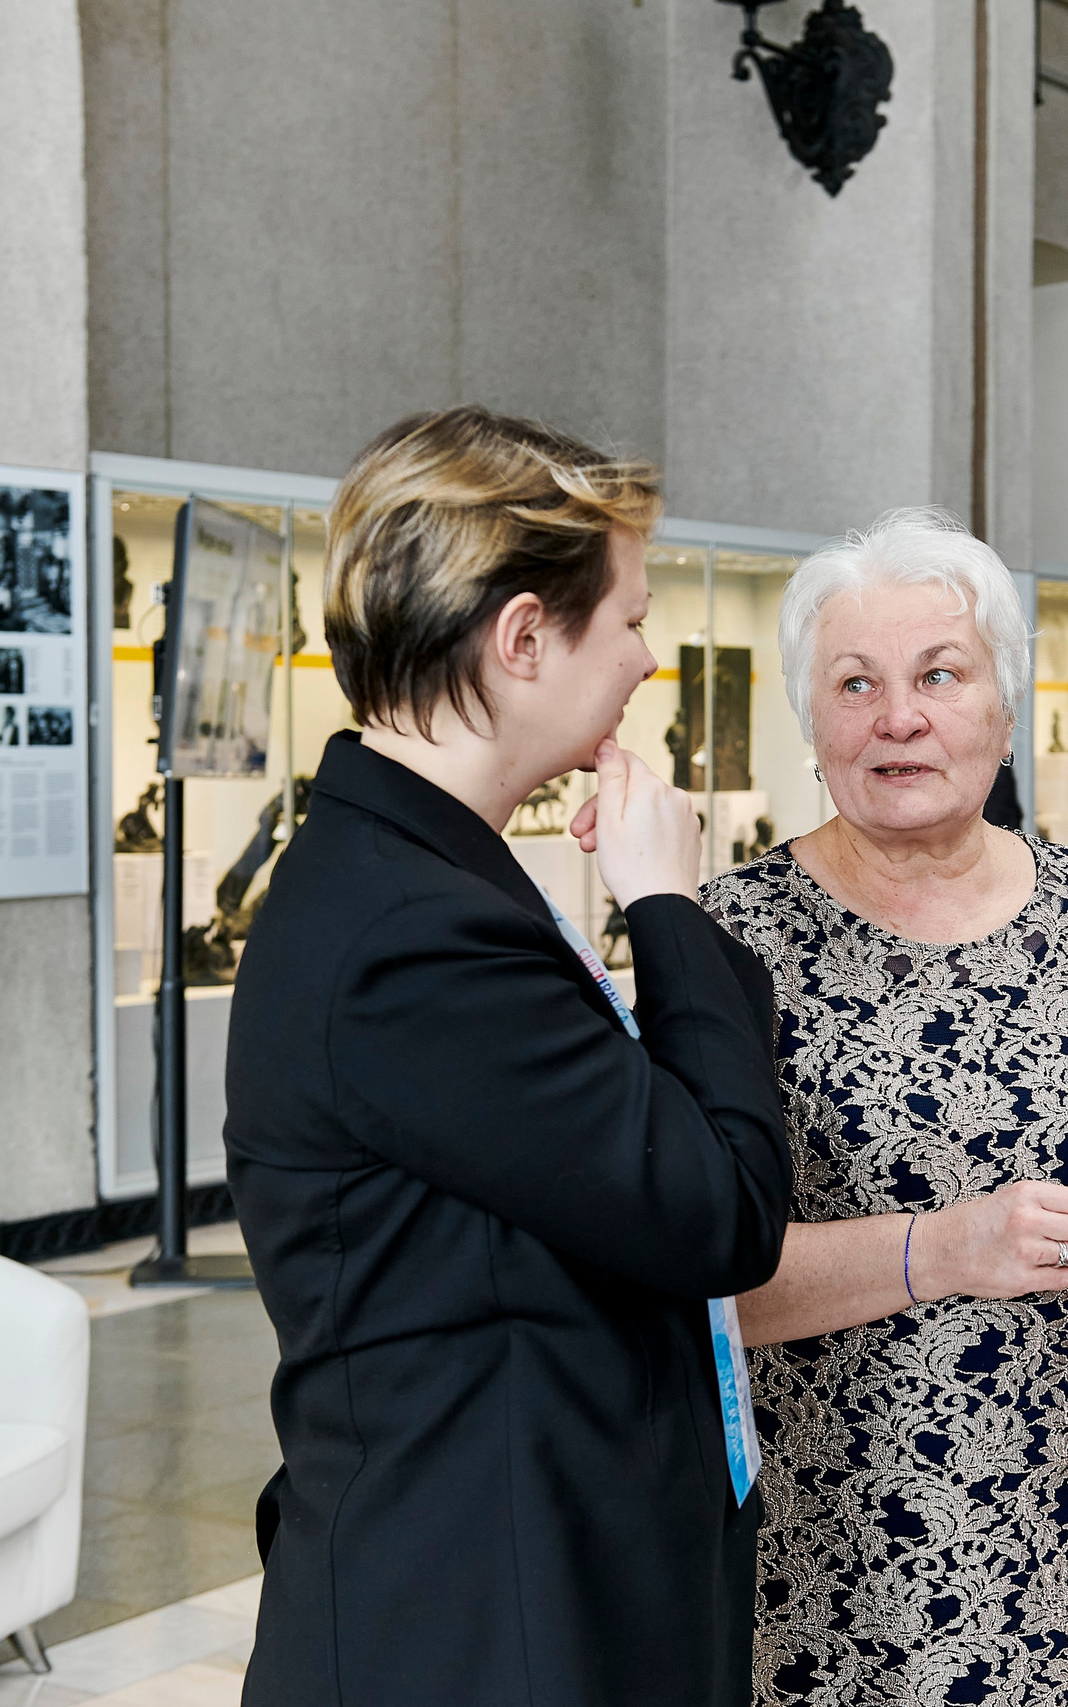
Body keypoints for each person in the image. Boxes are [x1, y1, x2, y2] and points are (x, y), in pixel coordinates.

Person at [225, 407, 792, 1707]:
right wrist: (668, 905)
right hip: (480, 1616)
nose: (651, 659)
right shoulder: (410, 933)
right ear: (524, 635)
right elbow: (720, 1207)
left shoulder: (425, 877)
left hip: (518, 1581)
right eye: (632, 618)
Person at [700, 508, 1068, 1705]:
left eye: (938, 674)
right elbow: (690, 1286)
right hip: (822, 1593)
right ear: (811, 720)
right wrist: (940, 1251)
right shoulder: (731, 940)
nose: (899, 717)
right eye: (855, 685)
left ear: (1002, 703)